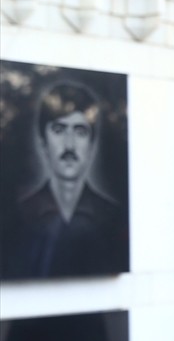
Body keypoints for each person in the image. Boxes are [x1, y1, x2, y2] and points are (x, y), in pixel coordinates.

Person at [3, 80, 125, 279]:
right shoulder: (19, 215)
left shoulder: (110, 215)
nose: (69, 145)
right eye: (59, 130)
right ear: (43, 140)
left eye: (80, 132)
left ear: (92, 143)